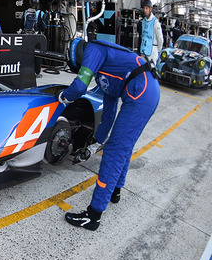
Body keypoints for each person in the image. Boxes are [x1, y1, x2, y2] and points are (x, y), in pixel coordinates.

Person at [60, 37, 160, 231]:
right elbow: (109, 109)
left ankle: (93, 216)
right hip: (146, 89)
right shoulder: (107, 69)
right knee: (123, 145)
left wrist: (64, 97)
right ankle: (115, 191)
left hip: (142, 91)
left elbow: (80, 86)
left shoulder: (94, 49)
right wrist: (97, 139)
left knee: (115, 150)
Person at [138, 0, 163, 65]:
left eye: (147, 8)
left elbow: (160, 38)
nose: (145, 10)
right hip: (143, 51)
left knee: (151, 70)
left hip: (152, 51)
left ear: (150, 9)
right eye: (144, 8)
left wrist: (158, 50)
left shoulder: (155, 22)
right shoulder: (143, 21)